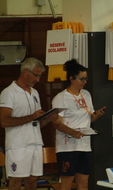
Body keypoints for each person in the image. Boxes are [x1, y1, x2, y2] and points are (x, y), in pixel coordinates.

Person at [0, 57, 58, 190]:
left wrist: (48, 119)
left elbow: (36, 123)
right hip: (18, 145)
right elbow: (3, 121)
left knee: (33, 180)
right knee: (16, 180)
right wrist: (31, 117)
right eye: (36, 75)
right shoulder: (9, 93)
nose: (38, 79)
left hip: (36, 142)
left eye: (39, 76)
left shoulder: (35, 93)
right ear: (25, 72)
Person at [51, 59, 106, 190]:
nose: (85, 82)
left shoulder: (86, 95)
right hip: (67, 147)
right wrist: (73, 132)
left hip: (84, 146)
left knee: (83, 184)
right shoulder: (61, 98)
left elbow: (89, 119)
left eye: (86, 78)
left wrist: (96, 115)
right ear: (71, 78)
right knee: (67, 183)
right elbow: (57, 124)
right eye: (81, 79)